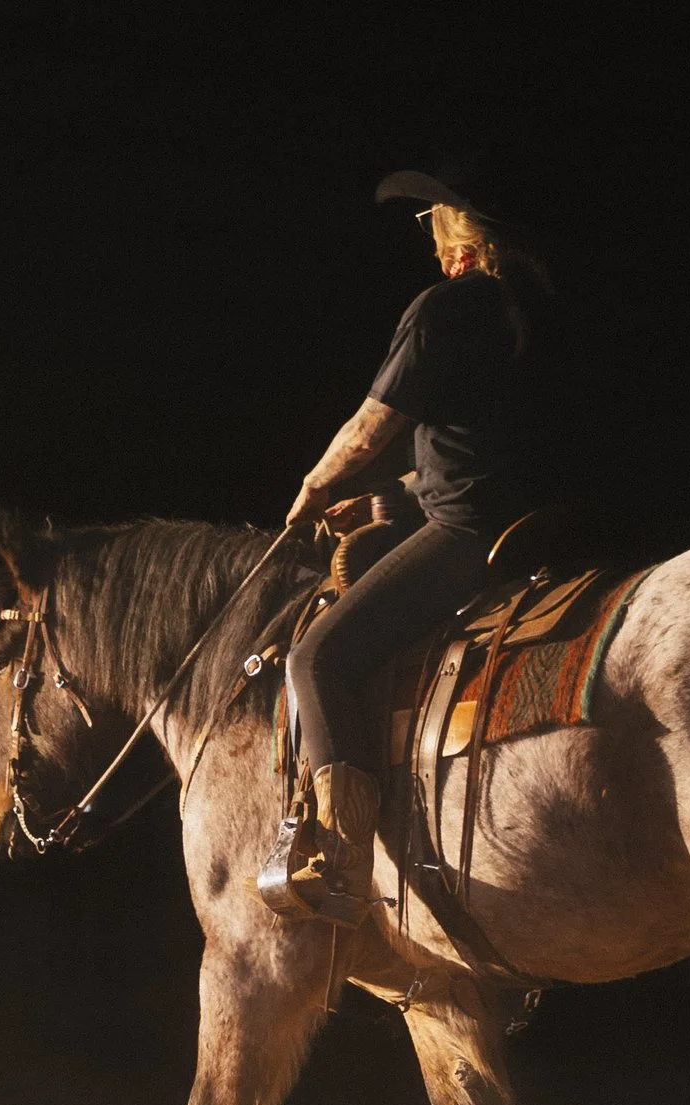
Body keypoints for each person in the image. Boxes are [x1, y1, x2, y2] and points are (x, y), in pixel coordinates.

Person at [262, 167, 548, 923]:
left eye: (434, 231)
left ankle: (342, 856)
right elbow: (474, 452)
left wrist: (314, 487)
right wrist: (390, 495)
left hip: (469, 535)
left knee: (315, 658)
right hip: (539, 526)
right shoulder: (530, 314)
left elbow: (368, 429)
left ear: (457, 243)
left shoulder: (443, 309)